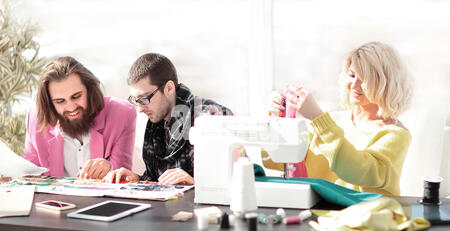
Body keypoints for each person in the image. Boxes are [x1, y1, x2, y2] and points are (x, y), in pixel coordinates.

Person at [266, 41, 412, 196]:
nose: (354, 84)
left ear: (385, 82)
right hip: (319, 215)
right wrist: (278, 121)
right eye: (352, 75)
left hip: (361, 217)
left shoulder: (395, 135)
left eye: (364, 78)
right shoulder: (332, 122)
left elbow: (357, 171)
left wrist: (317, 117)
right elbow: (277, 161)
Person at [104, 53, 233, 185]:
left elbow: (238, 182)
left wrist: (195, 184)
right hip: (170, 205)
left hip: (203, 204)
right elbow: (158, 180)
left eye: (144, 99)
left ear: (169, 88)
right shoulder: (155, 126)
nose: (140, 109)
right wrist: (137, 180)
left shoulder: (213, 117)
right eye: (135, 100)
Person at [22, 56, 137, 179]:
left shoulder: (121, 114)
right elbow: (30, 175)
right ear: (50, 103)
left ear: (89, 90)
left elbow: (122, 177)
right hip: (55, 198)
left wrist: (110, 167)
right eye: (60, 101)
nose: (71, 107)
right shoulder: (36, 118)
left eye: (76, 96)